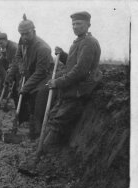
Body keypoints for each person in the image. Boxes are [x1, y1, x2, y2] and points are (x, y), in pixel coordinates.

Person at [44, 11, 102, 149]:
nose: (75, 27)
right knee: (53, 117)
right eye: (73, 24)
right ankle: (48, 149)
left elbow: (81, 70)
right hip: (71, 89)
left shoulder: (89, 42)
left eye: (79, 24)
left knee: (58, 122)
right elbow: (73, 63)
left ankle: (47, 153)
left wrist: (57, 82)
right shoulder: (80, 41)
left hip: (79, 91)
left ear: (88, 25)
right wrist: (63, 54)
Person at [5, 14, 54, 141]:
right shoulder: (22, 43)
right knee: (20, 96)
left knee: (38, 104)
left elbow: (40, 72)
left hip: (43, 78)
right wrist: (12, 73)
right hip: (29, 75)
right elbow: (17, 58)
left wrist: (26, 87)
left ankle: (37, 135)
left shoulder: (43, 48)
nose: (24, 37)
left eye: (27, 33)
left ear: (34, 31)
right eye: (21, 34)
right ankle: (23, 126)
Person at [0, 33, 18, 104]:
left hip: (19, 69)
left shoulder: (13, 47)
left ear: (6, 40)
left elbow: (15, 63)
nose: (0, 45)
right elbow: (3, 59)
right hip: (13, 68)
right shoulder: (5, 48)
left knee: (17, 89)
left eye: (1, 43)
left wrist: (10, 73)